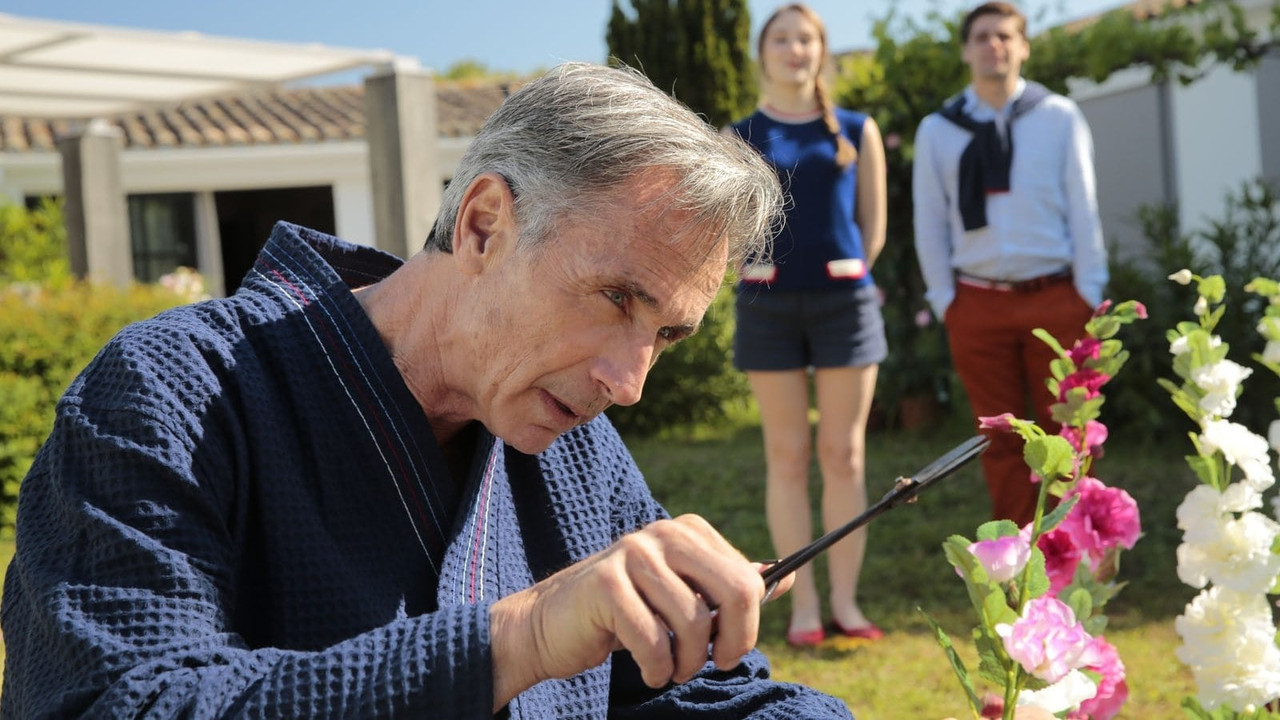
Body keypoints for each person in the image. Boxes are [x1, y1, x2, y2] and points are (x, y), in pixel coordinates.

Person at [0, 63, 855, 719]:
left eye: (665, 335)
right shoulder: (170, 391)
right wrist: (521, 637)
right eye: (616, 298)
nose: (628, 384)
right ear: (483, 225)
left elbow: (678, 693)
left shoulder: (574, 445)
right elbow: (129, 702)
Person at [727, 3, 888, 648]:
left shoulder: (855, 128)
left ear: (821, 51)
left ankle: (846, 605)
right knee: (787, 457)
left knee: (844, 455)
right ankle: (801, 607)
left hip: (845, 306)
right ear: (762, 52)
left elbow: (872, 224)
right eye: (782, 38)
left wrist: (848, 275)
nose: (795, 49)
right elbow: (729, 226)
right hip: (767, 309)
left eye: (807, 39)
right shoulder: (738, 136)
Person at [912, 1, 1107, 527]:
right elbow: (929, 219)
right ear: (965, 50)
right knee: (999, 440)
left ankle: (1073, 549)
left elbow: (1084, 207)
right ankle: (1022, 561)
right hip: (976, 303)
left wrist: (1088, 293)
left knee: (1070, 433)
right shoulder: (938, 129)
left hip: (1057, 297)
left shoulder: (1059, 116)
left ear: (1022, 47)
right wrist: (945, 301)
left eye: (1004, 35)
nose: (992, 45)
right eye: (981, 36)